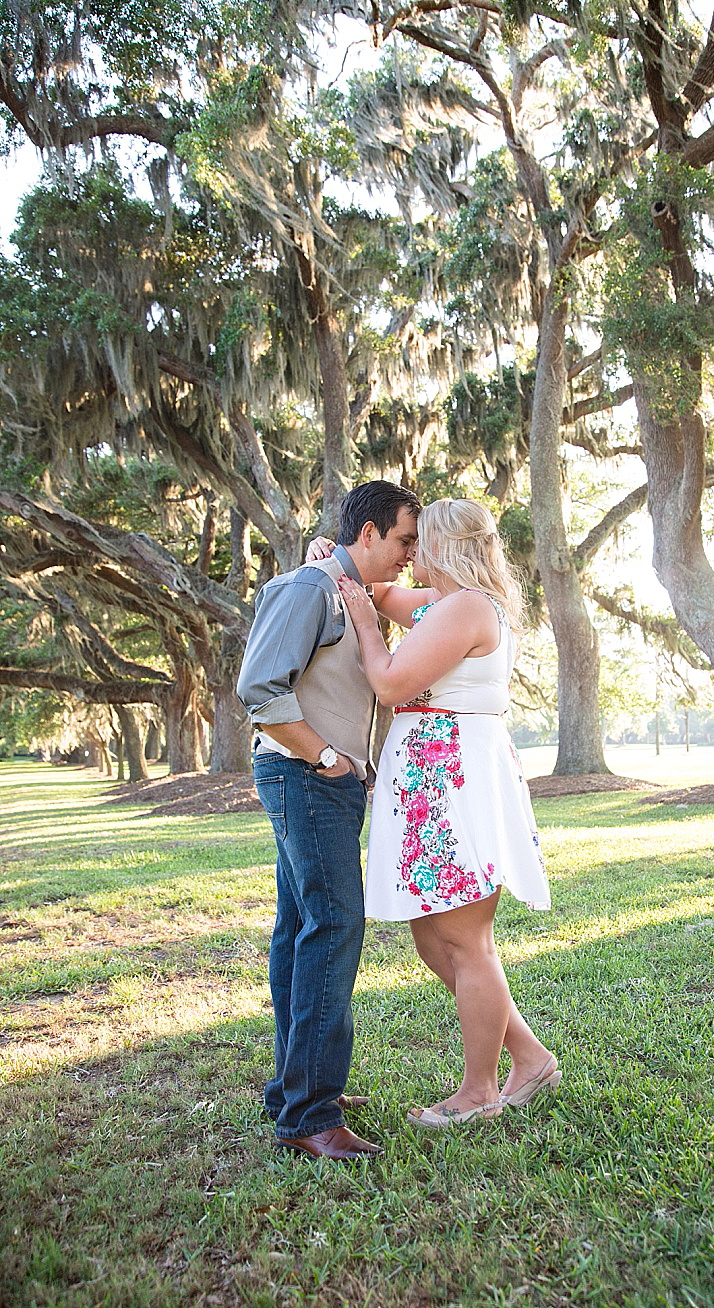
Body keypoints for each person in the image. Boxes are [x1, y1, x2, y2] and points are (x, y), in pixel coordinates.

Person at [336, 499, 558, 1129]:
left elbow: (389, 682)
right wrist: (338, 565)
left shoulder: (466, 608)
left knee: (465, 941)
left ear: (442, 546)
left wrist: (365, 625)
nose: (409, 554)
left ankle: (480, 1089)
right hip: (429, 778)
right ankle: (529, 1058)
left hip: (452, 778)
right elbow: (380, 591)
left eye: (417, 542)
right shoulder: (442, 605)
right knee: (434, 937)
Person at [236, 480, 420, 1160]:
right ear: (367, 533)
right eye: (403, 539)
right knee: (336, 924)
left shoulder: (351, 593)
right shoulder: (307, 589)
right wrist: (324, 758)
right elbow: (260, 687)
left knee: (300, 929)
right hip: (305, 778)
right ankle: (311, 1117)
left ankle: (297, 1089)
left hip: (324, 783)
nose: (408, 554)